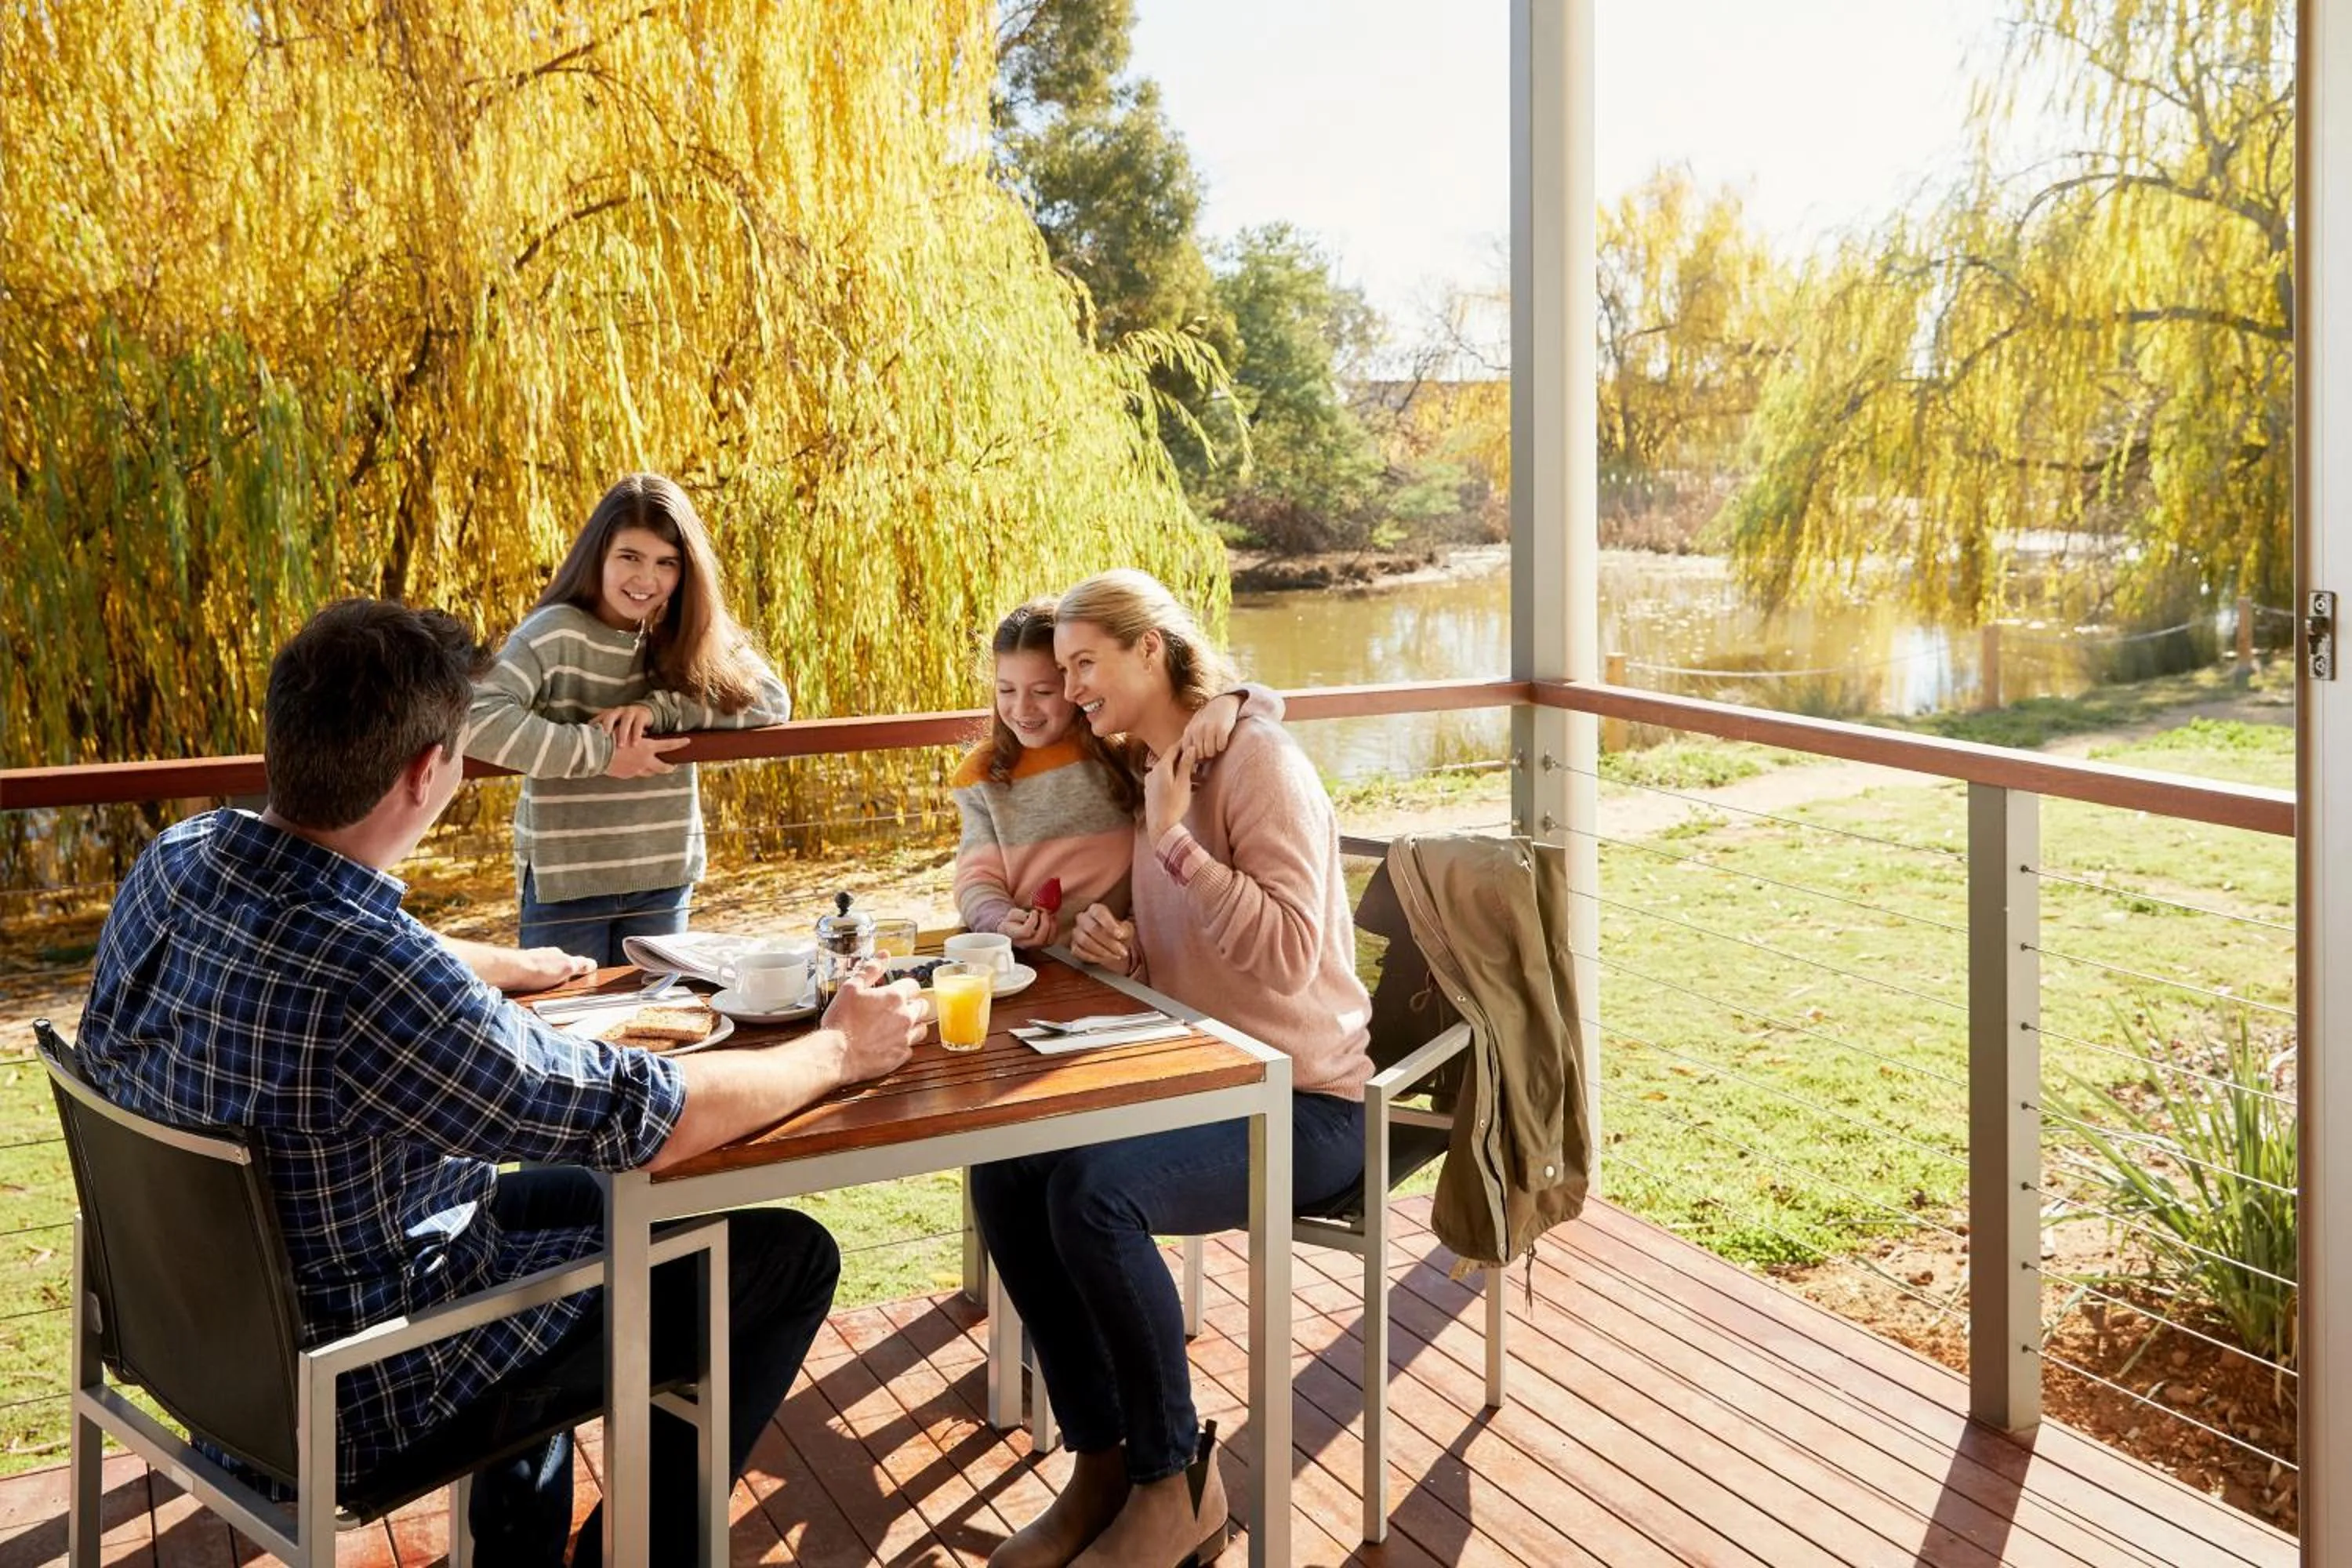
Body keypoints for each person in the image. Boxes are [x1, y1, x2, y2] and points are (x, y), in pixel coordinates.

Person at [74, 598, 929, 1566]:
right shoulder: (378, 982)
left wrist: (492, 962)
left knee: (593, 1205)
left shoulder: (181, 859)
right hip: (361, 1388)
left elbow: (316, 919)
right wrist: (841, 1052)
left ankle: (515, 1544)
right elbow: (637, 1116)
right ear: (425, 771)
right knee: (778, 1256)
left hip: (199, 1343)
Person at [969, 569, 1374, 1568]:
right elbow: (1204, 957)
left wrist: (1172, 842)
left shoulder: (1257, 764)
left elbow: (1286, 952)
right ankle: (1100, 1462)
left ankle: (1175, 1484)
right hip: (1212, 1079)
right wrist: (1130, 952)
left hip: (1308, 1105)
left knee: (1095, 1196)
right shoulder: (1154, 762)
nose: (1069, 689)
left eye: (1083, 665)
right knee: (1011, 1169)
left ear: (1150, 648)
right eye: (1059, 668)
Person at [467, 473, 789, 966]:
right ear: (598, 554)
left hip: (663, 874)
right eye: (630, 557)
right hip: (568, 883)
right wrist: (605, 755)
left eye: (667, 564)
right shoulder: (552, 634)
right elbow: (476, 717)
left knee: (654, 1023)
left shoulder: (687, 633)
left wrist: (659, 709)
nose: (646, 580)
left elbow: (770, 700)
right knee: (563, 1024)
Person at [950, 597, 1277, 946]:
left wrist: (1231, 701)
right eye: (1006, 690)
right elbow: (975, 878)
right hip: (1016, 962)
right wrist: (999, 922)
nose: (1022, 708)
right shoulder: (982, 774)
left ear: (1074, 685)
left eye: (1043, 691)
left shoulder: (1123, 752)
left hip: (1110, 959)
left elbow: (1268, 701)